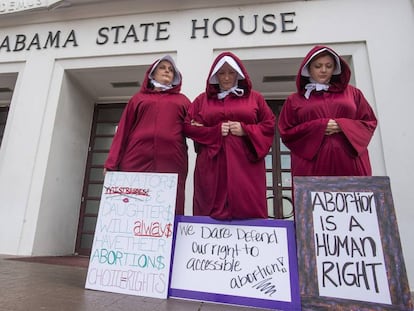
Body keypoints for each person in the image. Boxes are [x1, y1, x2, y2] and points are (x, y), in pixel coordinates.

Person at [184, 51, 275, 220]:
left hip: (245, 164)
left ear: (238, 75)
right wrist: (213, 131)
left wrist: (246, 130)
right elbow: (187, 126)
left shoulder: (255, 98)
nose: (226, 78)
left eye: (231, 73)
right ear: (215, 76)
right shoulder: (202, 100)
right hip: (212, 164)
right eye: (222, 73)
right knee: (208, 209)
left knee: (247, 208)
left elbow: (269, 124)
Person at [104, 55, 190, 215]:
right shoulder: (137, 99)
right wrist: (111, 163)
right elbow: (122, 131)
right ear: (152, 74)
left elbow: (194, 128)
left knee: (169, 204)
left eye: (171, 70)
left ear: (175, 77)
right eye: (162, 68)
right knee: (132, 202)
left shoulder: (183, 101)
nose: (167, 71)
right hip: (135, 159)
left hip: (171, 161)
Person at [278, 45, 377, 177]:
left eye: (329, 66)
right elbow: (286, 132)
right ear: (308, 69)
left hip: (351, 163)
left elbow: (369, 122)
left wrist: (342, 126)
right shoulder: (294, 100)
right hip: (312, 165)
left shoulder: (353, 93)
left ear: (335, 68)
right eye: (318, 66)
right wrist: (319, 126)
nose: (323, 70)